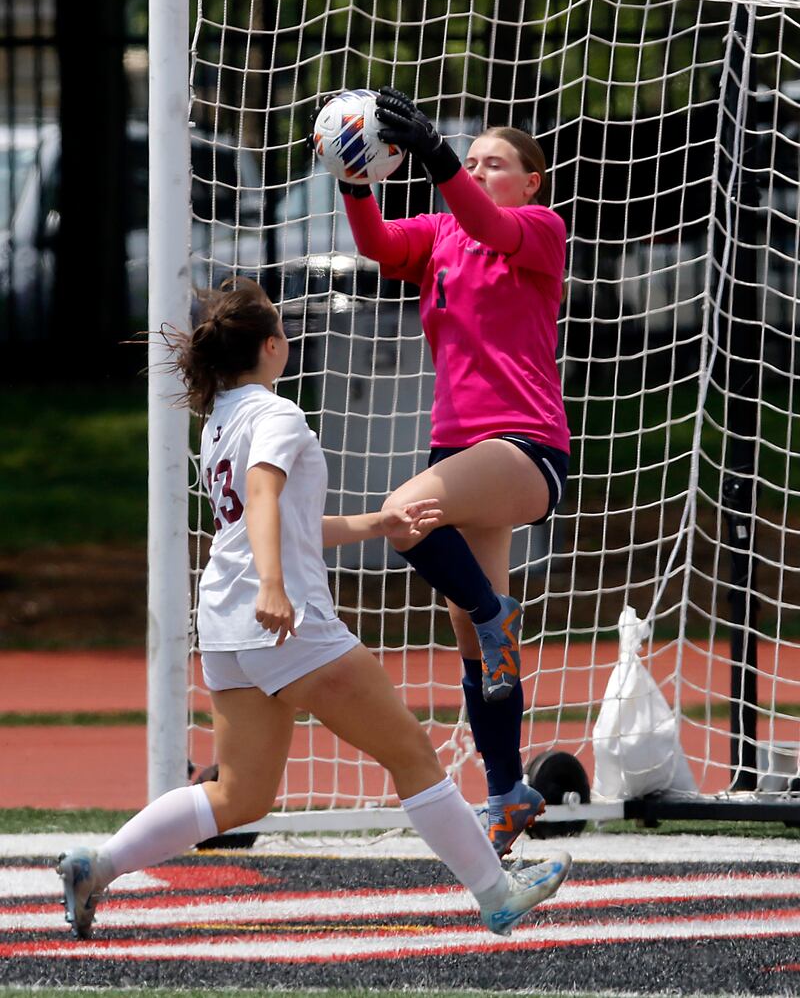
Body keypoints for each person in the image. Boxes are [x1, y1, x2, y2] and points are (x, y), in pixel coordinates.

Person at [56, 279, 570, 942]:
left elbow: (288, 518)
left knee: (240, 794)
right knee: (412, 750)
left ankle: (99, 864)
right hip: (284, 620)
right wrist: (275, 585)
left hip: (223, 623)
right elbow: (266, 500)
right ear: (273, 346)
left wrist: (374, 521)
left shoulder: (220, 421)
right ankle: (497, 893)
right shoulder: (276, 415)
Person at [334, 87, 570, 859]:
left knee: (404, 516)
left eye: (493, 161)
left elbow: (489, 222)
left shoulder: (538, 227)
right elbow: (373, 245)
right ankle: (508, 790)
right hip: (460, 453)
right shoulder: (439, 233)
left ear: (532, 180)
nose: (477, 168)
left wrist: (437, 157)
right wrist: (353, 176)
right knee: (473, 641)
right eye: (470, 160)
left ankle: (493, 611)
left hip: (525, 446)